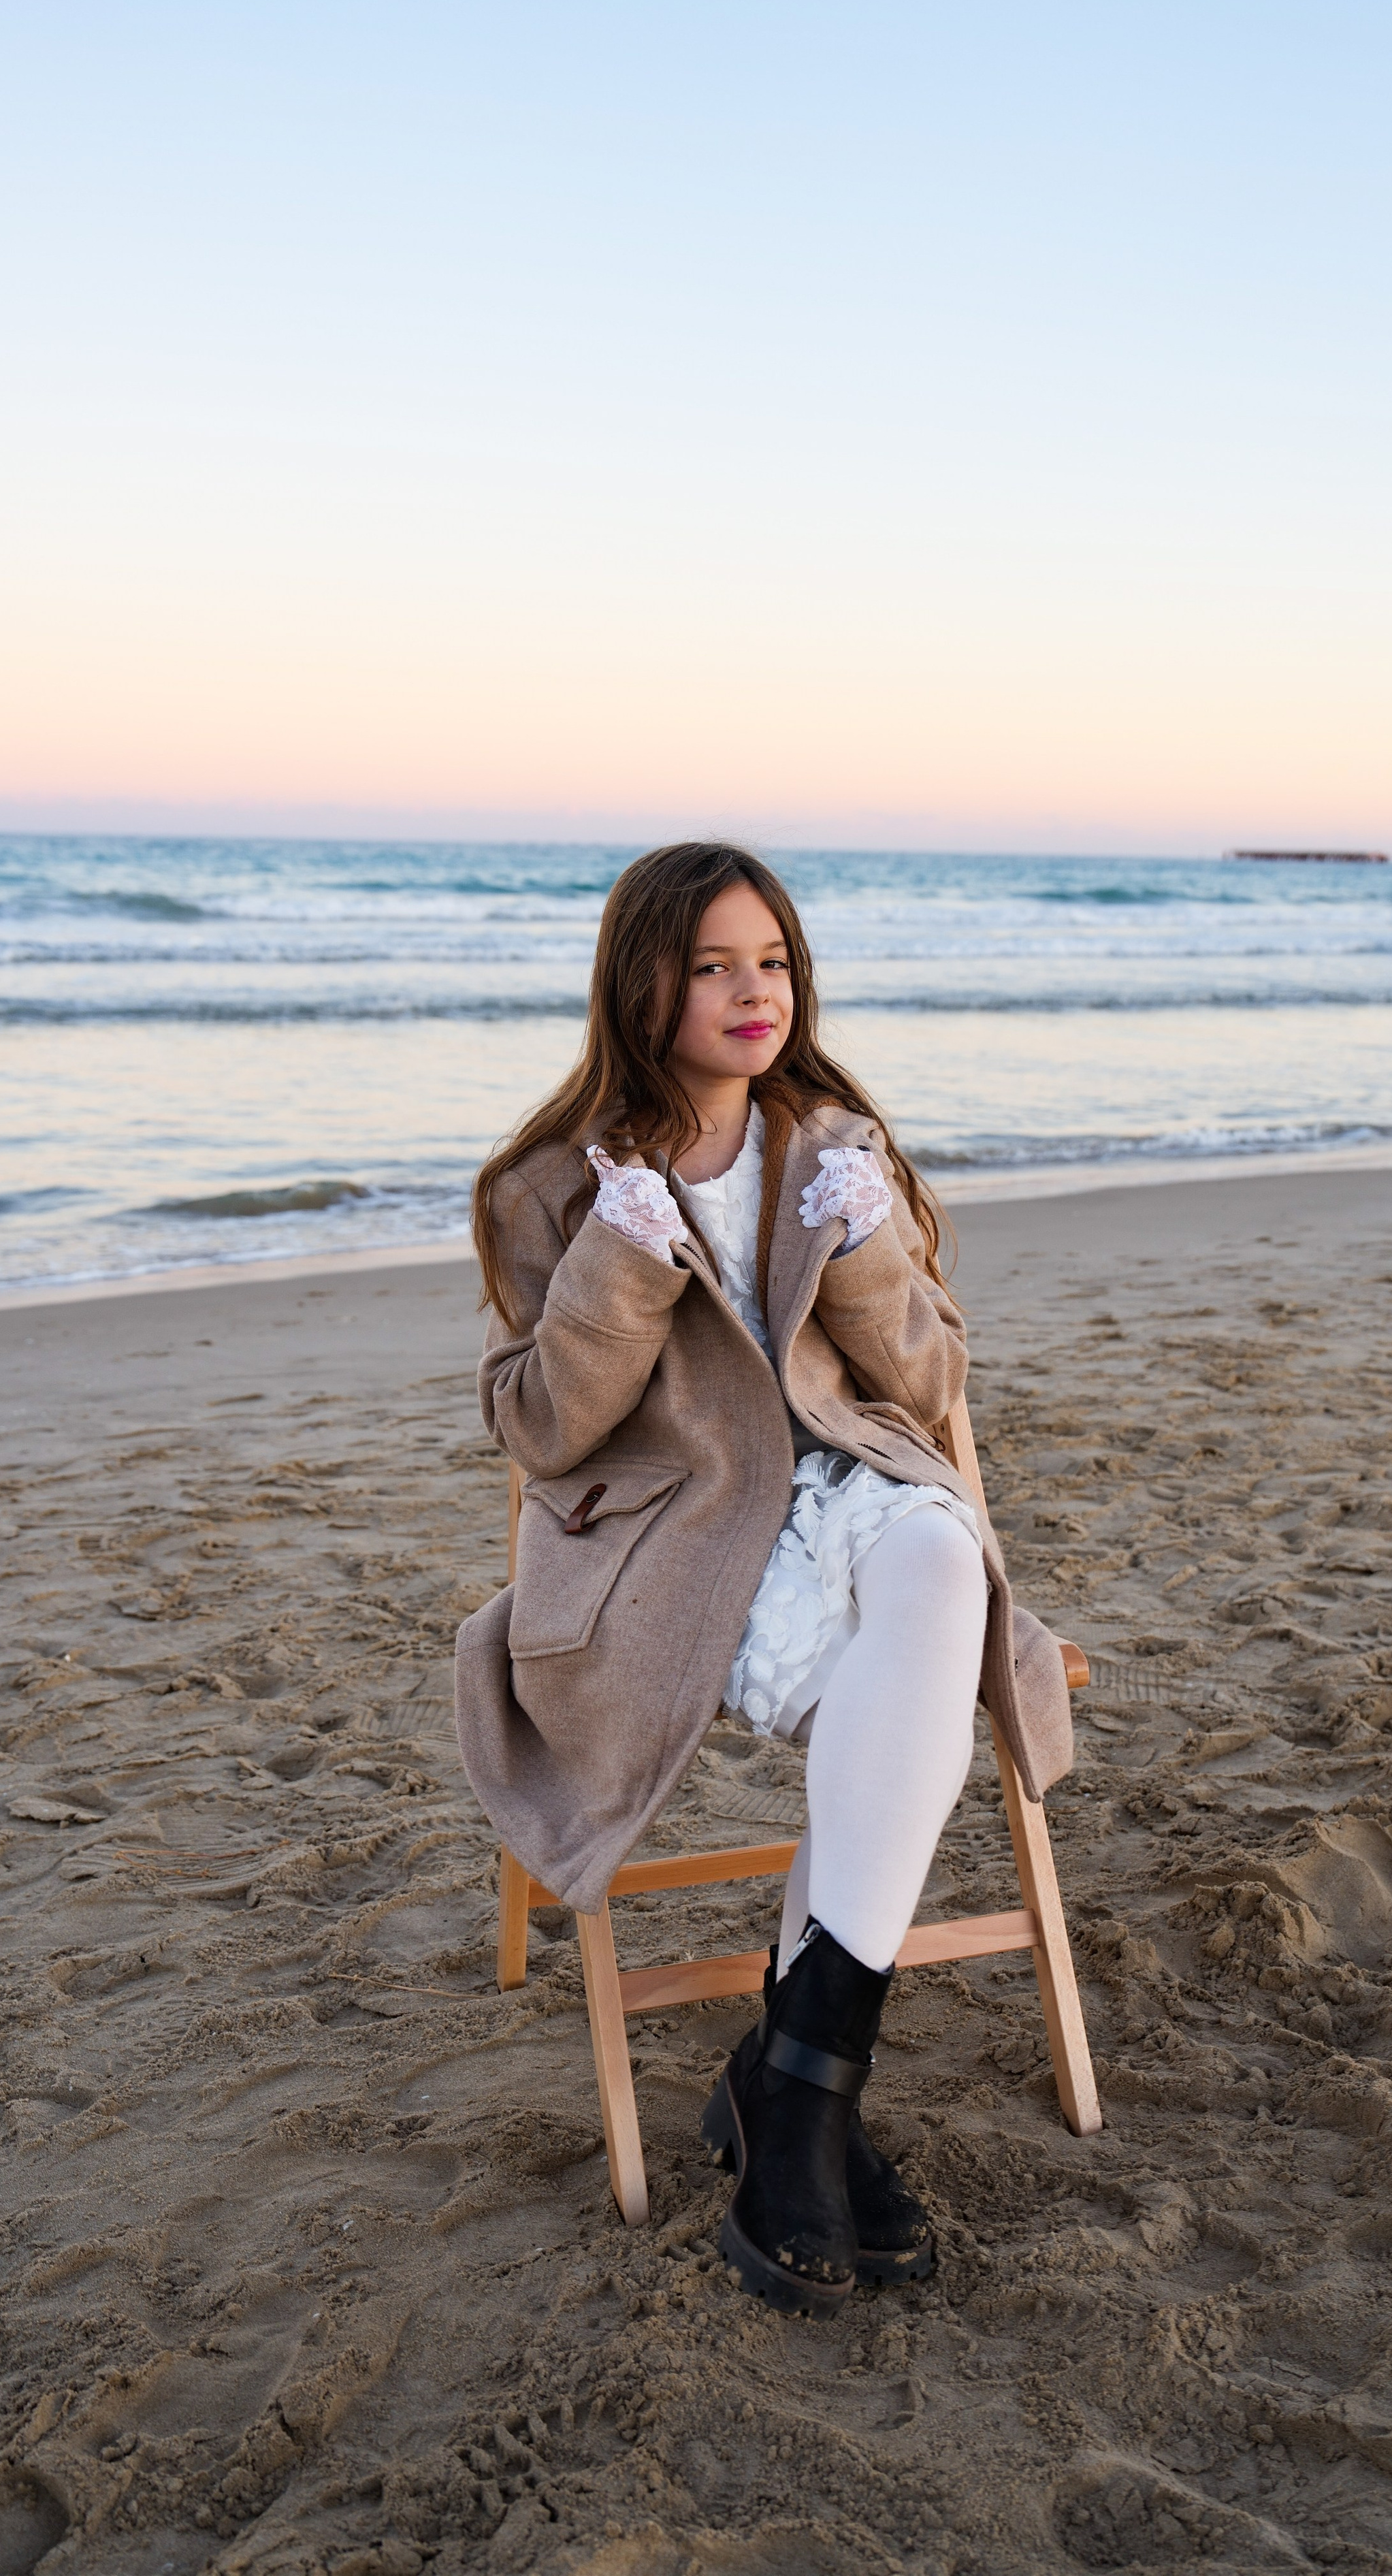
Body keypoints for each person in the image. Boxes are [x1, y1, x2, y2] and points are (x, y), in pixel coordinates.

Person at [456, 841, 1073, 2315]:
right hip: (683, 1547)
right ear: (640, 982)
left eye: (773, 961)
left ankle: (794, 2083)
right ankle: (798, 2095)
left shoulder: (833, 1144)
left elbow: (925, 1386)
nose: (753, 992)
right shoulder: (552, 1185)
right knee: (917, 1657)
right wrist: (615, 1265)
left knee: (939, 1549)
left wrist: (867, 1257)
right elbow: (541, 1430)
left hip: (854, 1498)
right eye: (713, 964)